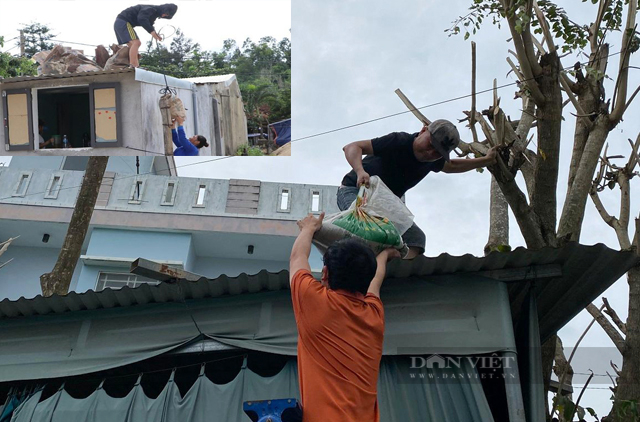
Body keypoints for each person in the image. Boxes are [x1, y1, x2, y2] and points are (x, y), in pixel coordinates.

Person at [289, 212, 400, 422]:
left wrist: (308, 228)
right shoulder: (373, 315)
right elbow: (375, 283)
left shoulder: (314, 301)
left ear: (325, 274)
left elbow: (298, 258)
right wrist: (385, 254)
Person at [340, 119, 497, 259]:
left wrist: (486, 160)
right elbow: (352, 147)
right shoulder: (399, 141)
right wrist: (360, 171)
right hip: (355, 192)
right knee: (368, 226)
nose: (430, 153)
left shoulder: (433, 161)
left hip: (384, 204)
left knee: (416, 239)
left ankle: (388, 269)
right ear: (423, 131)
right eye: (430, 145)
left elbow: (453, 166)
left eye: (437, 153)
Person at [114, 4, 178, 68]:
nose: (164, 15)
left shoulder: (154, 14)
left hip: (120, 23)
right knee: (136, 43)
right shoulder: (150, 9)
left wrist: (155, 34)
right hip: (123, 22)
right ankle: (133, 65)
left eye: (167, 15)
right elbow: (142, 19)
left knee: (132, 46)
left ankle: (136, 65)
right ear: (164, 9)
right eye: (166, 13)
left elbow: (149, 24)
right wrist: (152, 32)